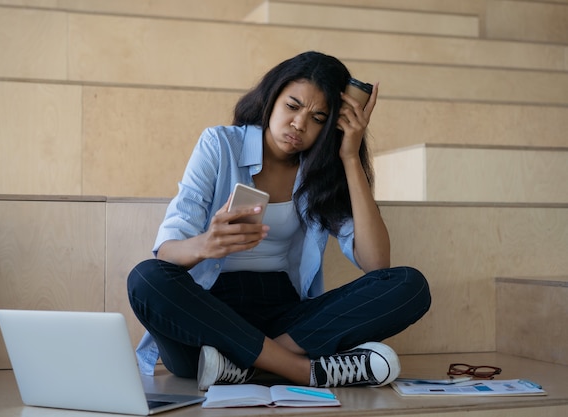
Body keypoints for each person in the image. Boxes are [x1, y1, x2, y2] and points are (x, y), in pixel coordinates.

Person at [127, 51, 431, 391]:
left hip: (285, 319)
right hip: (209, 316)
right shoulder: (219, 145)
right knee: (146, 278)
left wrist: (349, 156)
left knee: (410, 286)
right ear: (272, 99)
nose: (300, 124)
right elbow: (167, 253)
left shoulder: (322, 173)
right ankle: (303, 371)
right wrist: (205, 244)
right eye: (293, 106)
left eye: (318, 118)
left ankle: (248, 366)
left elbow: (377, 264)